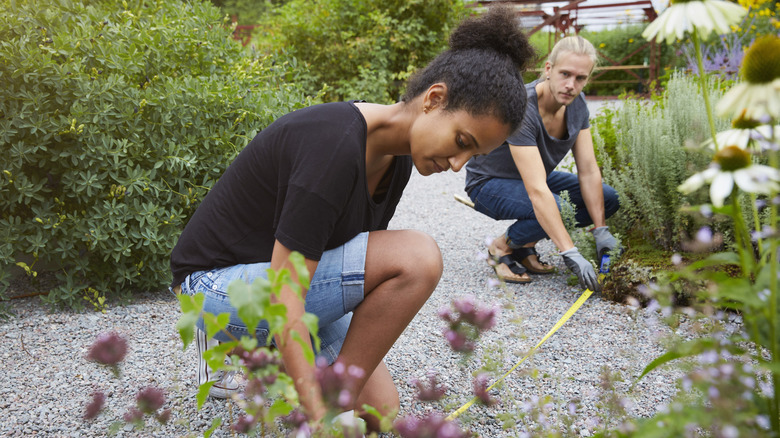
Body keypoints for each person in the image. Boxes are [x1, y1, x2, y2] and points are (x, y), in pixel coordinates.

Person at [169, 7, 535, 432]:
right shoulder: (334, 144)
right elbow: (284, 293)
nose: (457, 164)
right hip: (212, 289)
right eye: (461, 142)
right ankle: (273, 375)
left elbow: (351, 273)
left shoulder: (396, 162)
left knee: (379, 411)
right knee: (418, 256)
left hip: (280, 284)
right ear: (434, 99)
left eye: (473, 156)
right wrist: (321, 409)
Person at [464, 36, 620, 291]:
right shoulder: (522, 107)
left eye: (580, 78)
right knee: (556, 207)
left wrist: (600, 228)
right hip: (488, 184)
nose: (571, 85)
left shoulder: (577, 105)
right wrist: (569, 251)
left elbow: (589, 171)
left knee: (609, 198)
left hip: (532, 180)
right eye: (565, 74)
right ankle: (502, 246)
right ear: (549, 69)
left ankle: (522, 244)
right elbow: (538, 191)